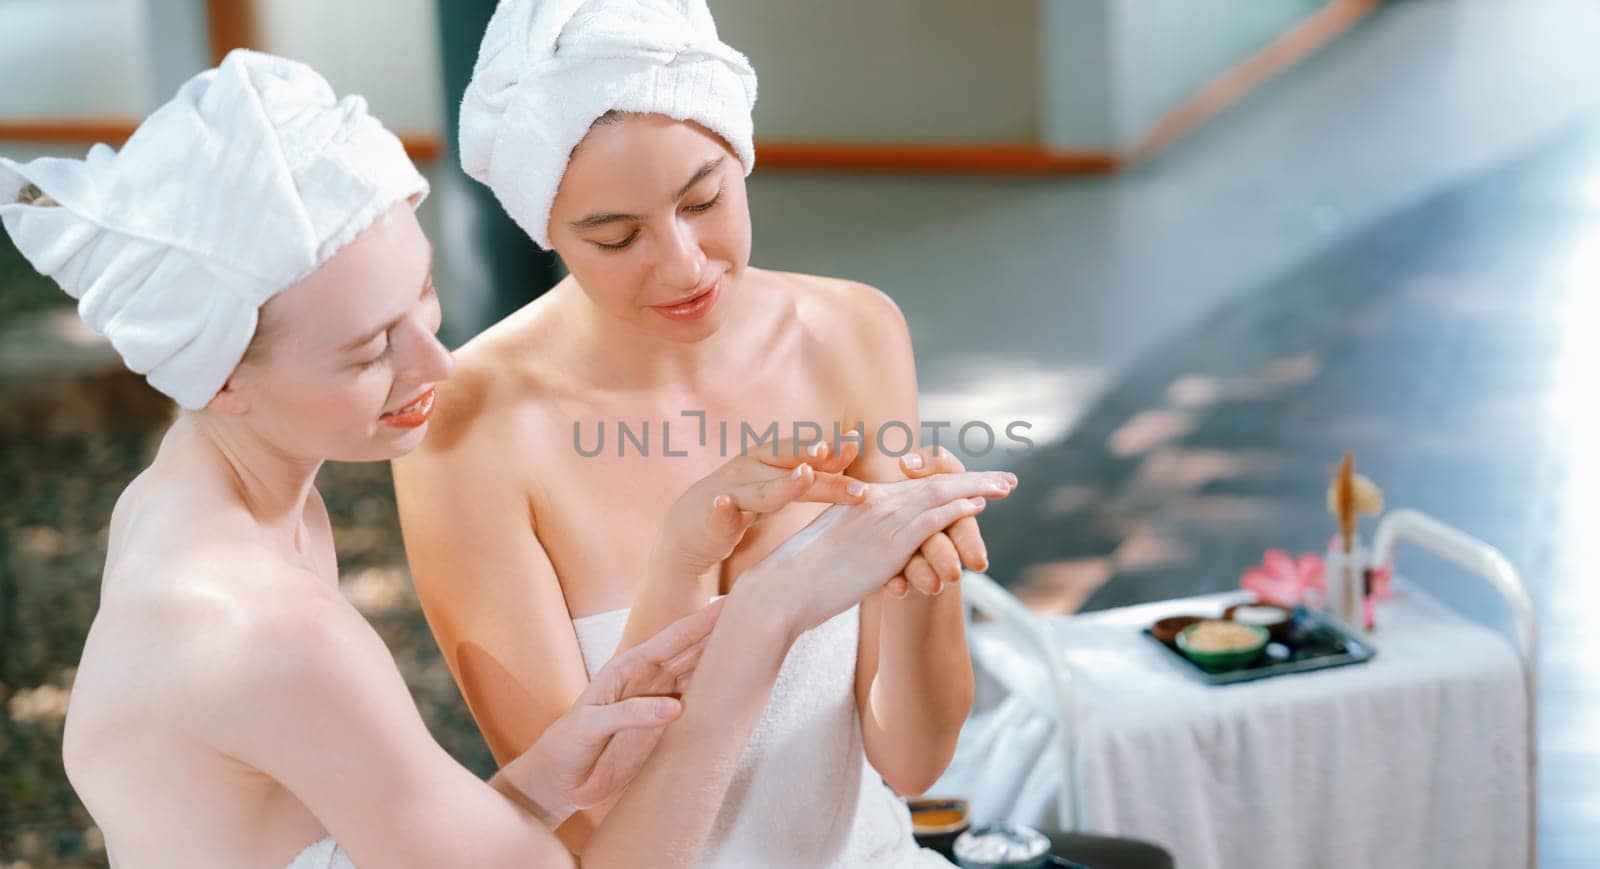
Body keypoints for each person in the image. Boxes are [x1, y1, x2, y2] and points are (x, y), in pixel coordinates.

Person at [0, 49, 1016, 868]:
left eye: (422, 298)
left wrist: (548, 763)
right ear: (217, 375)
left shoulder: (222, 507)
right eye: (368, 347)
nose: (437, 362)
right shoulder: (267, 629)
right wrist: (760, 616)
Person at [392, 1, 1006, 864]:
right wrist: (685, 563)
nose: (683, 265)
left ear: (742, 155)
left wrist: (926, 578)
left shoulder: (853, 330)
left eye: (705, 198)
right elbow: (594, 827)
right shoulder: (470, 429)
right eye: (615, 237)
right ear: (547, 230)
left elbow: (909, 761)